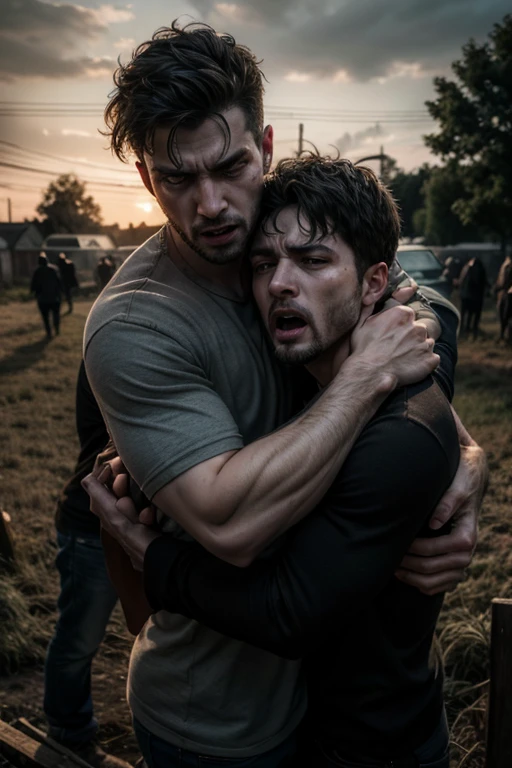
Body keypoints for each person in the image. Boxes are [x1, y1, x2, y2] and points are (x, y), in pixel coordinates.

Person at [83, 22, 484, 768]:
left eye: (231, 165)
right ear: (145, 179)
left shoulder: (277, 238)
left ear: (264, 148)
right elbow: (231, 527)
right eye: (178, 178)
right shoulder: (136, 325)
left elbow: (410, 302)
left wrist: (463, 454)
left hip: (322, 701)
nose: (211, 204)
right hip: (219, 716)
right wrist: (367, 381)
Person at [44, 361, 131, 768]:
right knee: (79, 638)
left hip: (133, 526)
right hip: (90, 525)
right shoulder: (120, 337)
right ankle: (69, 730)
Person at [30, 252, 62, 339]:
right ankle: (57, 329)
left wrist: (33, 293)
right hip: (55, 298)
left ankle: (49, 332)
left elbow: (33, 285)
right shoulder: (53, 270)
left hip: (42, 299)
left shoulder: (37, 271)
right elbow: (59, 283)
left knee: (46, 317)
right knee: (56, 315)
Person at [458, 256, 487, 340]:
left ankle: (463, 331)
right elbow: (482, 282)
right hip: (476, 297)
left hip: (465, 295)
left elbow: (461, 281)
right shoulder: (480, 268)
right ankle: (473, 332)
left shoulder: (466, 268)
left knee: (465, 315)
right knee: (474, 316)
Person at [494, 253, 512, 343]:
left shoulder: (506, 266)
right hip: (503, 294)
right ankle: (503, 336)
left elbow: (502, 281)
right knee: (503, 316)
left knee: (505, 316)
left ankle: (505, 336)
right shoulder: (505, 266)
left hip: (506, 294)